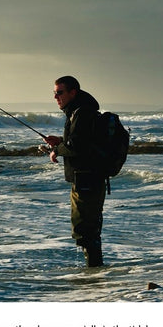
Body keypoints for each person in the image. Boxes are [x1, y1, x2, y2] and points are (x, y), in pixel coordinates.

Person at [45, 76, 106, 267]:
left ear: (73, 92)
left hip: (87, 179)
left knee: (86, 231)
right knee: (88, 229)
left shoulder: (82, 113)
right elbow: (79, 144)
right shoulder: (78, 111)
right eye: (54, 93)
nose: (56, 97)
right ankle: (95, 274)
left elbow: (77, 146)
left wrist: (57, 150)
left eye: (60, 92)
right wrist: (61, 144)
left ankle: (94, 276)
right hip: (87, 178)